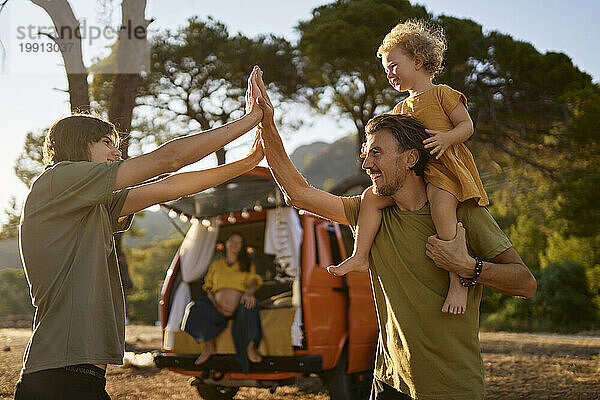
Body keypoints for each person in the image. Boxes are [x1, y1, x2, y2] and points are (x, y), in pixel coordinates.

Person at [254, 68, 536, 399]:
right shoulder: (372, 215)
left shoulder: (465, 213)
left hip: (452, 388)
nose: (366, 165)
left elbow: (526, 284)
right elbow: (298, 195)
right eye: (366, 153)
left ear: (411, 158)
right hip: (389, 382)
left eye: (377, 153)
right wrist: (266, 124)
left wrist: (468, 267)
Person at [15, 67, 265, 400]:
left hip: (78, 376)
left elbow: (169, 186)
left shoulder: (91, 205)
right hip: (59, 377)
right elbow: (169, 159)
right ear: (78, 143)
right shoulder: (56, 181)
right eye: (107, 143)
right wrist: (248, 120)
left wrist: (247, 163)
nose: (117, 153)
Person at [329, 20, 488, 315]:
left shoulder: (443, 94)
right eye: (386, 69)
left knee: (441, 208)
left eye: (393, 65)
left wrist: (447, 137)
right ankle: (360, 255)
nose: (389, 74)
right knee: (371, 198)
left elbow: (467, 126)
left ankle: (458, 279)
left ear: (417, 61)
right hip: (415, 178)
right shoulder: (400, 110)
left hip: (445, 173)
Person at [181, 233, 263, 373]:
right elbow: (209, 288)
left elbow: (253, 281)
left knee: (250, 305)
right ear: (226, 243)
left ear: (242, 246)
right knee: (195, 308)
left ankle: (250, 347)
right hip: (216, 308)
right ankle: (209, 347)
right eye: (232, 241)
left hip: (238, 308)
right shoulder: (216, 265)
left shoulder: (246, 264)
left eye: (239, 242)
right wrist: (216, 305)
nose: (235, 244)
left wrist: (249, 293)